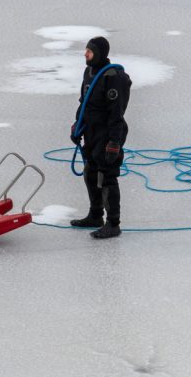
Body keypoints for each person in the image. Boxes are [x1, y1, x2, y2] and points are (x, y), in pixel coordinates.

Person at [69, 36, 132, 239]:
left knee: (107, 177)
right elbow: (84, 102)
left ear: (100, 53)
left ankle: (113, 223)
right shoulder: (89, 72)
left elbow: (117, 114)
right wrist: (77, 126)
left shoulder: (113, 77)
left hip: (108, 134)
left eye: (90, 51)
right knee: (90, 172)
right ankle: (95, 215)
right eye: (86, 50)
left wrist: (114, 142)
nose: (85, 54)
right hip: (91, 132)